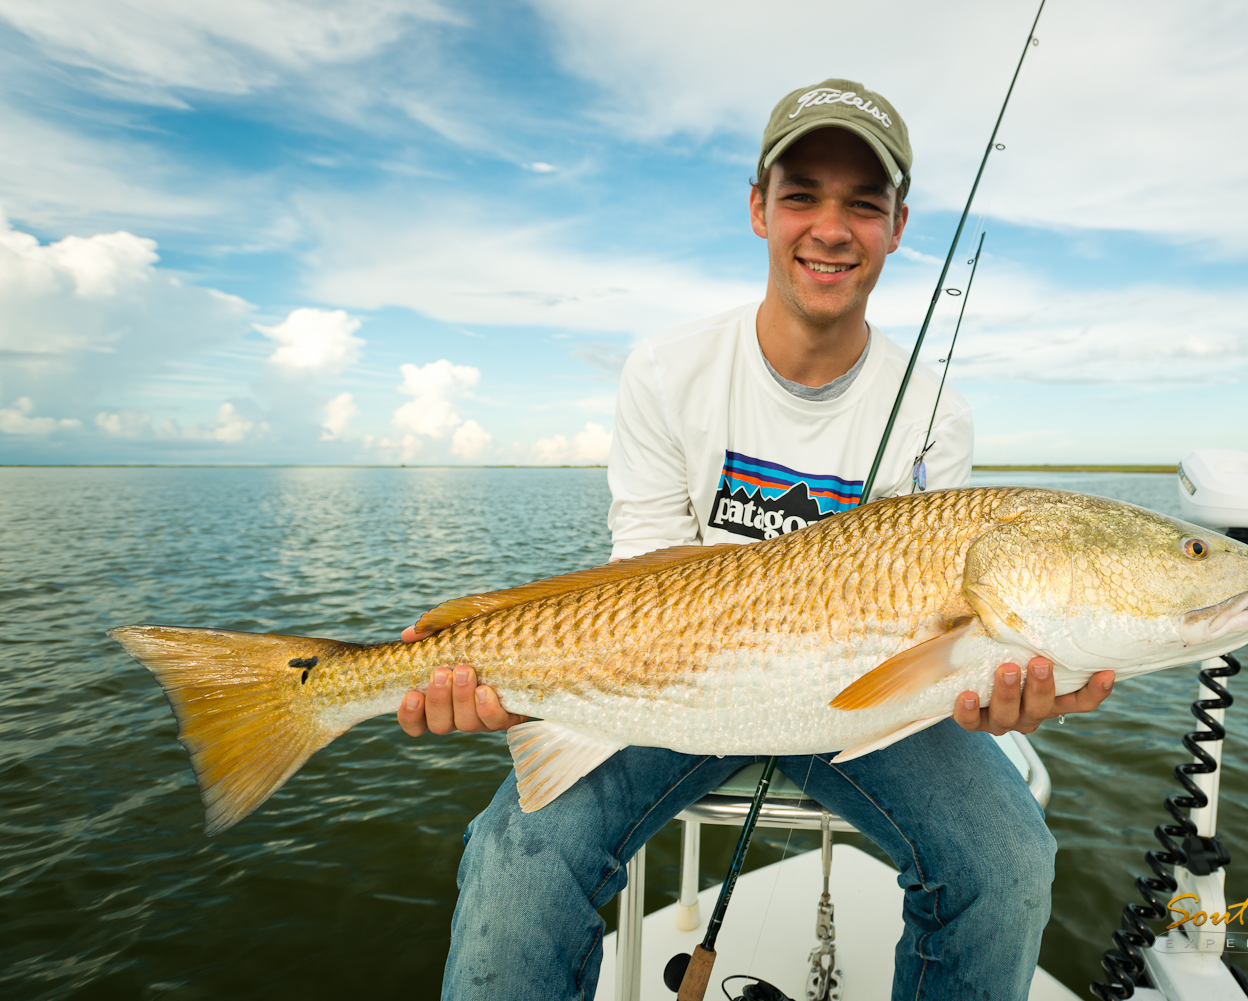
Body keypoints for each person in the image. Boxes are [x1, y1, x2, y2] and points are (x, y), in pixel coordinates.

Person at [396, 79, 1115, 1001]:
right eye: (801, 194)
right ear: (757, 208)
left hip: (867, 689)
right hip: (664, 682)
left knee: (1008, 860)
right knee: (516, 854)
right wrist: (522, 682)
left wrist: (986, 687)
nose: (830, 227)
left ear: (897, 225)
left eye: (864, 202)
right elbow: (641, 571)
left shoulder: (936, 411)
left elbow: (937, 632)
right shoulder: (668, 369)